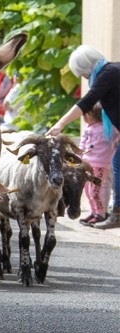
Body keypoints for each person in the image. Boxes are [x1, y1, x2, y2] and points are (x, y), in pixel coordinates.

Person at [46, 45, 120, 229]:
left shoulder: (107, 74)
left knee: (118, 167)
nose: (85, 78)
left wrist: (60, 124)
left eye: (83, 74)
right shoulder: (112, 72)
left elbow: (87, 102)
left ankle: (117, 214)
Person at [79, 104, 118, 226]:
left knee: (95, 190)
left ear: (90, 115)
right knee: (87, 190)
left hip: (101, 164)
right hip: (87, 164)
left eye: (85, 115)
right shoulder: (87, 129)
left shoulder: (108, 128)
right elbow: (82, 145)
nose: (84, 117)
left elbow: (117, 137)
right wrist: (78, 158)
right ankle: (94, 212)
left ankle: (101, 214)